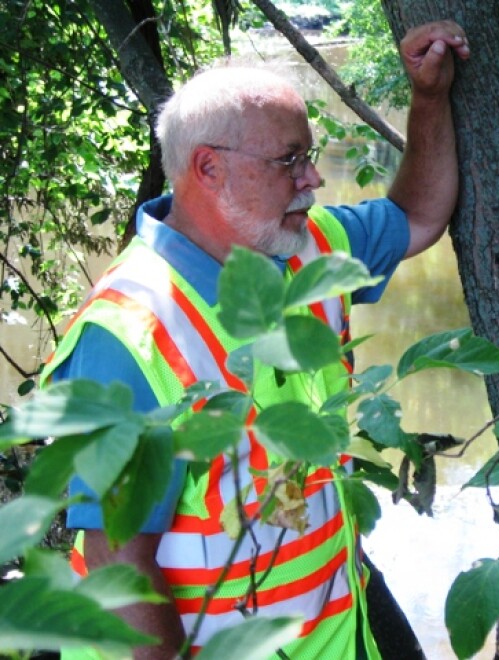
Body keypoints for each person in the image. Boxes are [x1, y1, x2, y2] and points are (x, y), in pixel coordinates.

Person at [41, 20, 470, 659]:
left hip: (335, 621)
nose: (312, 179)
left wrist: (428, 99)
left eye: (308, 156)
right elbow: (115, 567)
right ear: (208, 168)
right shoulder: (128, 335)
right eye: (289, 160)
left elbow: (418, 215)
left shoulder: (306, 248)